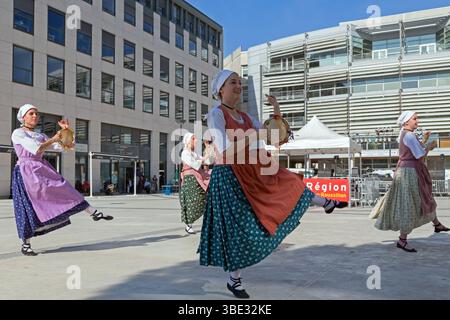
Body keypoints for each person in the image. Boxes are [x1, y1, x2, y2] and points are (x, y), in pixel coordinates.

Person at [198, 70, 348, 299]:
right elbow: (226, 151)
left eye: (240, 82)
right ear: (220, 89)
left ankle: (325, 201)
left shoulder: (245, 117)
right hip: (229, 176)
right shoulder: (216, 115)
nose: (239, 86)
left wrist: (276, 110)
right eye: (233, 82)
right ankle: (234, 280)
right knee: (241, 232)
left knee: (288, 182)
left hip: (251, 170)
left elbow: (273, 136)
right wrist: (254, 135)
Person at [11, 104, 113, 256]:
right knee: (27, 207)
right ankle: (26, 244)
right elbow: (37, 149)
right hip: (25, 172)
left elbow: (66, 145)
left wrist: (66, 131)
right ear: (23, 117)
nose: (34, 116)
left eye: (36, 114)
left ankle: (93, 212)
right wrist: (53, 138)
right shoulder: (18, 133)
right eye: (31, 113)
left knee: (64, 187)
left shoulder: (40, 135)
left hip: (41, 168)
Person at [370, 111, 449, 252]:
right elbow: (419, 155)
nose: (417, 121)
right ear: (407, 121)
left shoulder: (405, 134)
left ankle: (436, 224)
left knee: (423, 199)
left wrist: (423, 140)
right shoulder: (410, 136)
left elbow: (414, 151)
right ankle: (402, 240)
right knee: (412, 204)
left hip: (407, 171)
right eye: (415, 119)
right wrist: (429, 147)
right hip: (409, 173)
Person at [179, 132, 211, 235]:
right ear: (188, 141)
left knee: (203, 198)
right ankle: (188, 224)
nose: (196, 141)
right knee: (192, 200)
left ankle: (194, 223)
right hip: (190, 179)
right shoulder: (185, 153)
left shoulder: (193, 153)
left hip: (196, 177)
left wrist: (208, 153)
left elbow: (204, 160)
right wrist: (204, 159)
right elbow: (194, 163)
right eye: (194, 139)